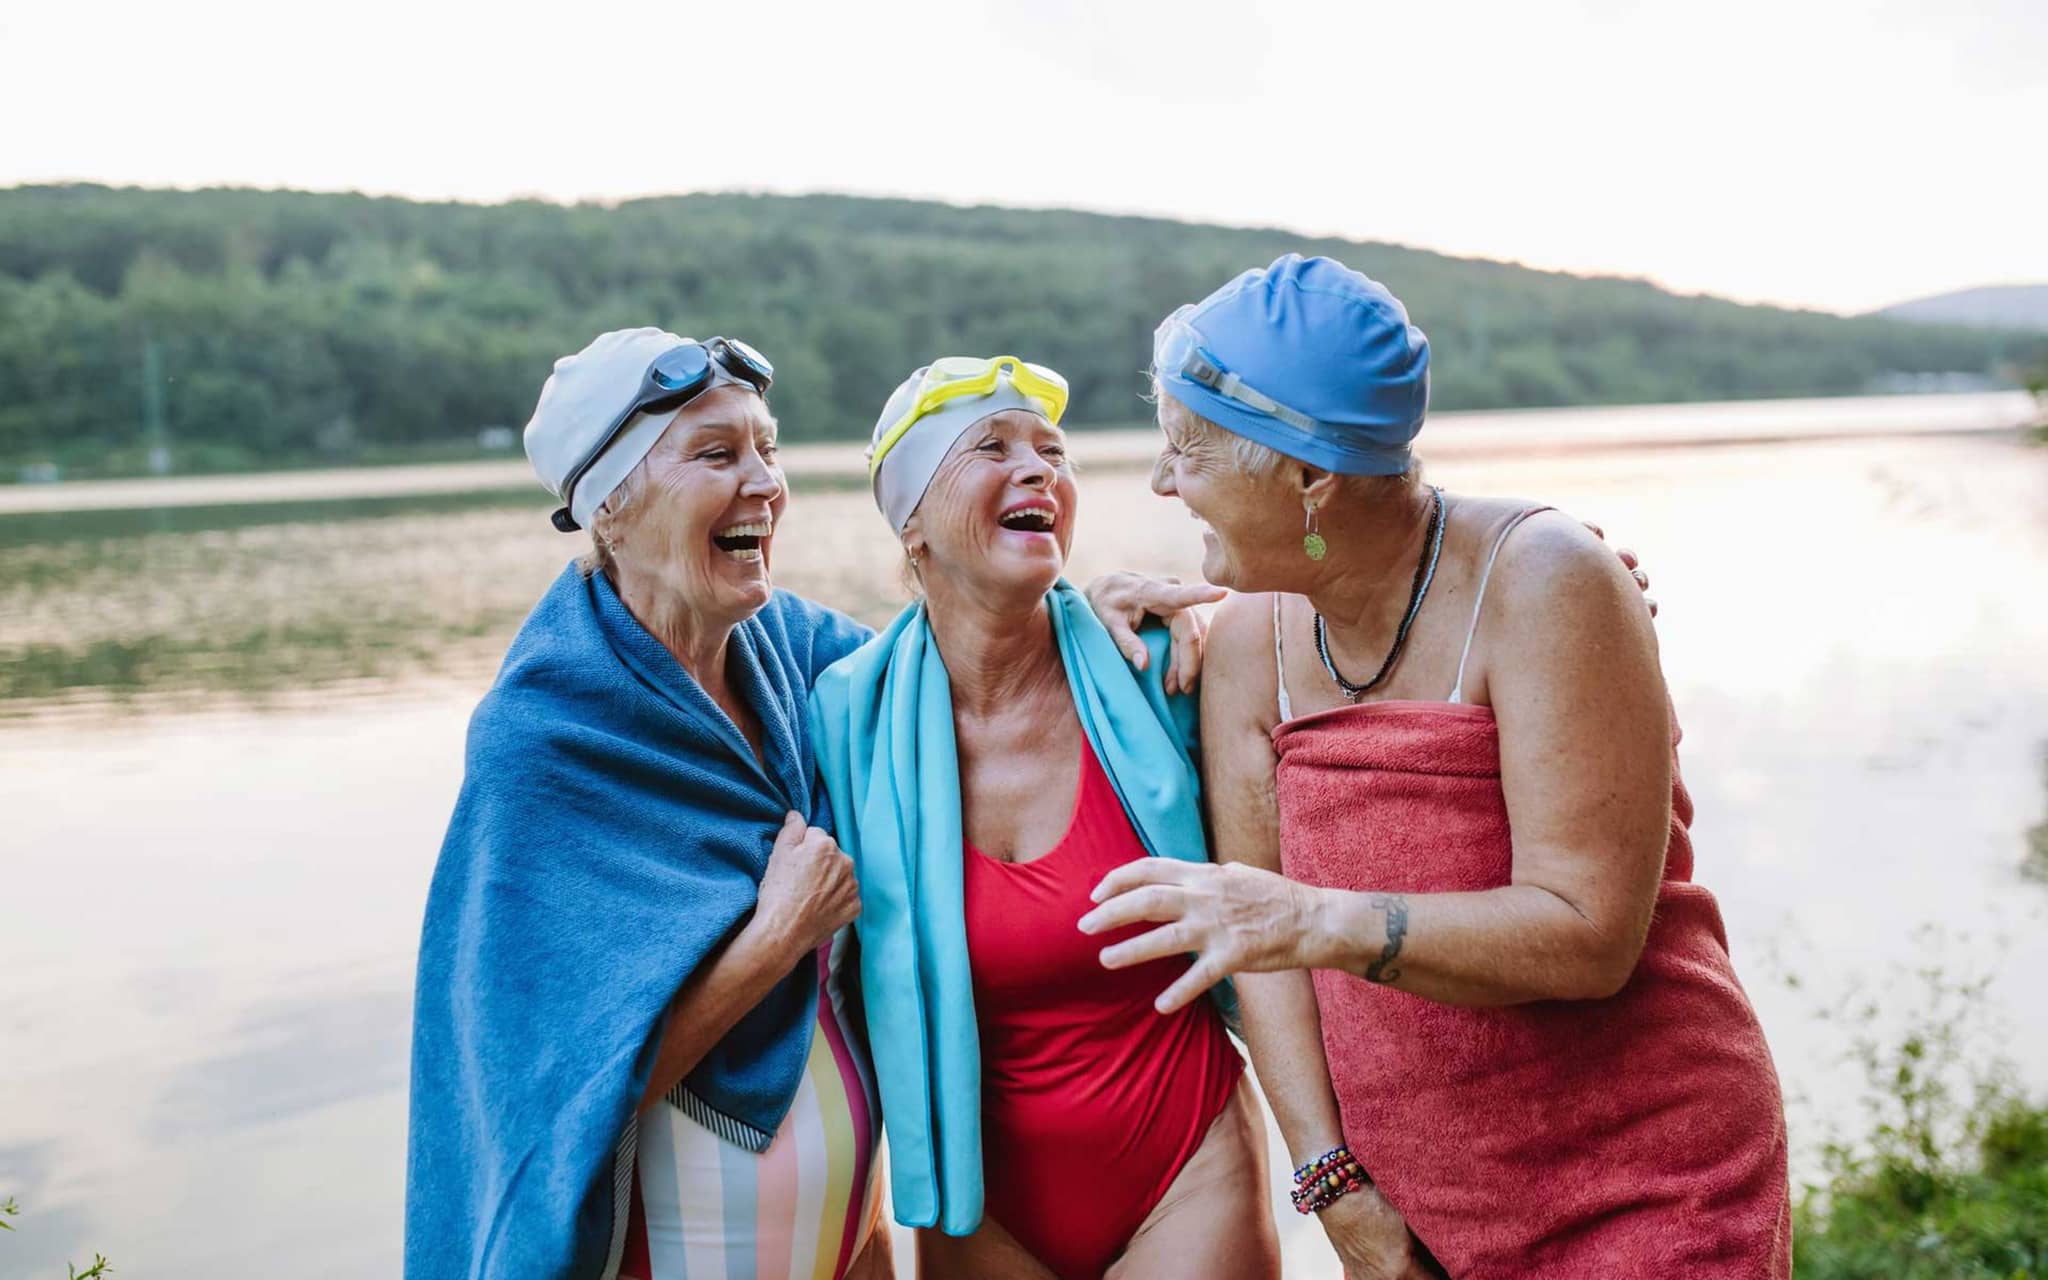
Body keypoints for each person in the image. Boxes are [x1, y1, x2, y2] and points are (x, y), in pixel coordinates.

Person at [405, 328, 1202, 1279]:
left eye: (768, 451)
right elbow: (550, 1098)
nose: (765, 484)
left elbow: (960, 658)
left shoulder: (793, 652)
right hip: (683, 1238)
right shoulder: (547, 740)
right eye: (716, 455)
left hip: (846, 1238)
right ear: (609, 507)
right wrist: (776, 936)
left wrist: (1083, 613)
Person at [1082, 256, 1792, 1279]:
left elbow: (1588, 933)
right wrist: (1331, 1186)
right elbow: (1264, 956)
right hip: (1416, 1215)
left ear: (1305, 475)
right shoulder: (1243, 643)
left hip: (1646, 1185)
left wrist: (1311, 916)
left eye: (1184, 449)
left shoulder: (1546, 580)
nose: (1160, 479)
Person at [809, 357, 1281, 1280]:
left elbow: (1324, 739)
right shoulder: (844, 717)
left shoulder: (1152, 663)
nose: (1039, 470)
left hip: (1184, 1165)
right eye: (992, 447)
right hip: (976, 1198)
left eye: (1053, 453)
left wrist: (1502, 571)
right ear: (911, 523)